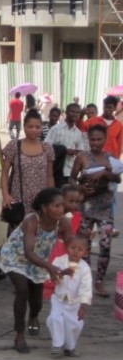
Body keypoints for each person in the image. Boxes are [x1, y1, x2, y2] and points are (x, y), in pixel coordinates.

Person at [0, 187, 72, 353]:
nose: (61, 209)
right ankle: (19, 334)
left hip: (40, 261)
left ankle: (33, 316)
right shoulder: (32, 221)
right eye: (56, 206)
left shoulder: (63, 222)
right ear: (44, 208)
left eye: (62, 205)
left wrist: (81, 244)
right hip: (16, 257)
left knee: (37, 302)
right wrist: (50, 267)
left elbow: (70, 243)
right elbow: (28, 252)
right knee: (22, 290)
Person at [70, 124, 122, 297]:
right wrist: (80, 189)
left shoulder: (110, 158)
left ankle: (99, 280)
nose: (95, 143)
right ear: (88, 140)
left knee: (105, 245)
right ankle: (85, 280)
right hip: (86, 206)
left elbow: (117, 178)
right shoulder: (82, 157)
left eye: (99, 139)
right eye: (92, 139)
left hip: (105, 206)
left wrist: (105, 174)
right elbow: (71, 178)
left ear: (105, 139)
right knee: (82, 245)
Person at [1, 110, 55, 229]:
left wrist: (51, 199)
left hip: (40, 201)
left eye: (37, 127)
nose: (34, 130)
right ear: (24, 127)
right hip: (18, 200)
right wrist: (5, 195)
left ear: (42, 128)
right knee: (18, 238)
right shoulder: (14, 145)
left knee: (38, 235)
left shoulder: (47, 148)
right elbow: (4, 173)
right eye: (30, 126)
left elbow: (49, 176)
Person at [46, 235, 92, 358]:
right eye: (72, 248)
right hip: (58, 299)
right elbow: (50, 277)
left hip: (75, 302)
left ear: (85, 252)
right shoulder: (59, 261)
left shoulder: (85, 268)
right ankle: (57, 345)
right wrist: (62, 273)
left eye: (80, 249)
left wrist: (83, 306)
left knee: (74, 325)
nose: (75, 251)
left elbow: (86, 288)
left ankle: (69, 347)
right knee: (55, 318)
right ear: (67, 248)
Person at [44, 103, 85, 185]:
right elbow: (46, 147)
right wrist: (64, 151)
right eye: (72, 111)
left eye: (77, 112)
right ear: (66, 112)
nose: (75, 114)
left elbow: (81, 151)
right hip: (55, 170)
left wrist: (78, 152)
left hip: (70, 171)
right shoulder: (56, 129)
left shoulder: (78, 133)